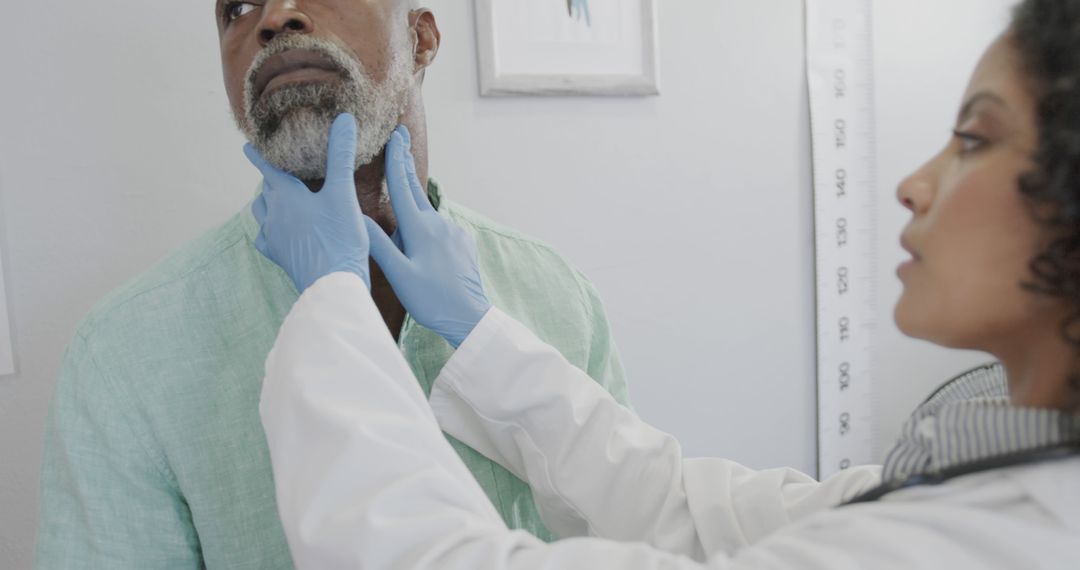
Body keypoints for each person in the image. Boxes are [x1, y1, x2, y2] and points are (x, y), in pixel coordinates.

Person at [254, 0, 1080, 567]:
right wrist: (478, 335)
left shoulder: (1006, 539)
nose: (914, 183)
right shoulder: (969, 477)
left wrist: (332, 304)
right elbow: (687, 509)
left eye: (975, 138)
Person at [34, 2, 630, 568]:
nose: (273, 17)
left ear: (420, 39)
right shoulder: (125, 358)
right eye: (237, 7)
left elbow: (636, 534)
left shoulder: (559, 299)